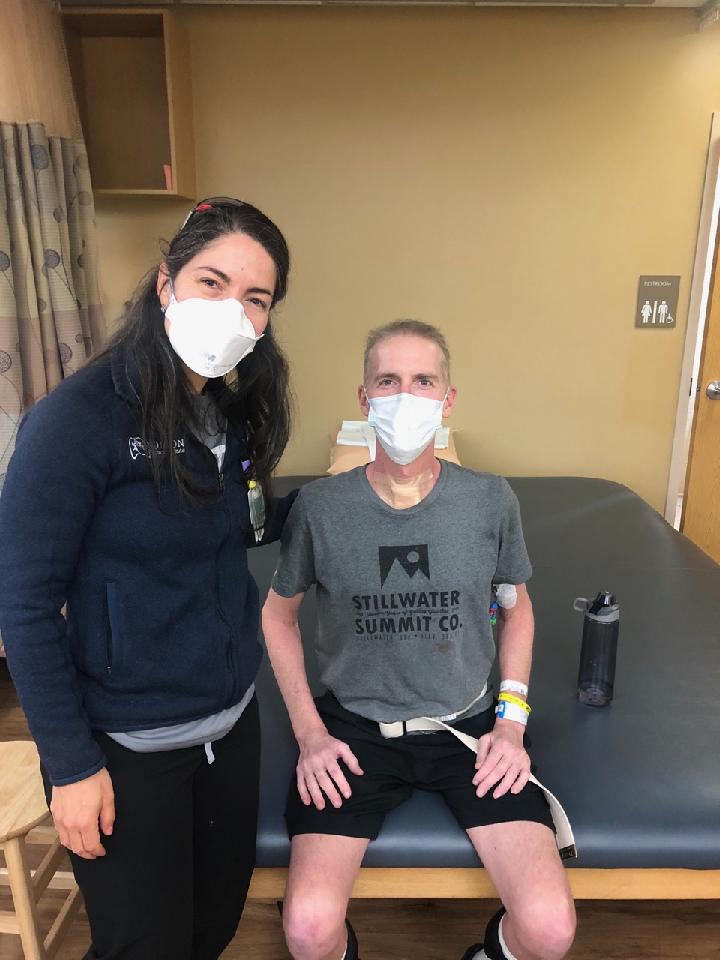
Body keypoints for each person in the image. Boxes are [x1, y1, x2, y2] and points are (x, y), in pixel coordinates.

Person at [0, 197, 296, 960]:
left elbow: (239, 525)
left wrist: (357, 498)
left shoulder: (224, 413)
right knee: (145, 947)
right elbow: (25, 606)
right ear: (165, 284)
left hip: (230, 727)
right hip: (129, 748)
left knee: (214, 927)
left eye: (255, 298)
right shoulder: (76, 420)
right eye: (212, 282)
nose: (232, 310)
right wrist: (70, 767)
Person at [262, 320, 576, 960]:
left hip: (469, 729)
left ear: (447, 399)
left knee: (549, 930)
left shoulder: (490, 501)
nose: (406, 396)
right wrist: (309, 733)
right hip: (354, 732)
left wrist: (511, 723)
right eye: (389, 381)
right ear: (364, 398)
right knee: (306, 931)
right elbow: (277, 616)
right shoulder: (321, 509)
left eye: (423, 381)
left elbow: (517, 611)